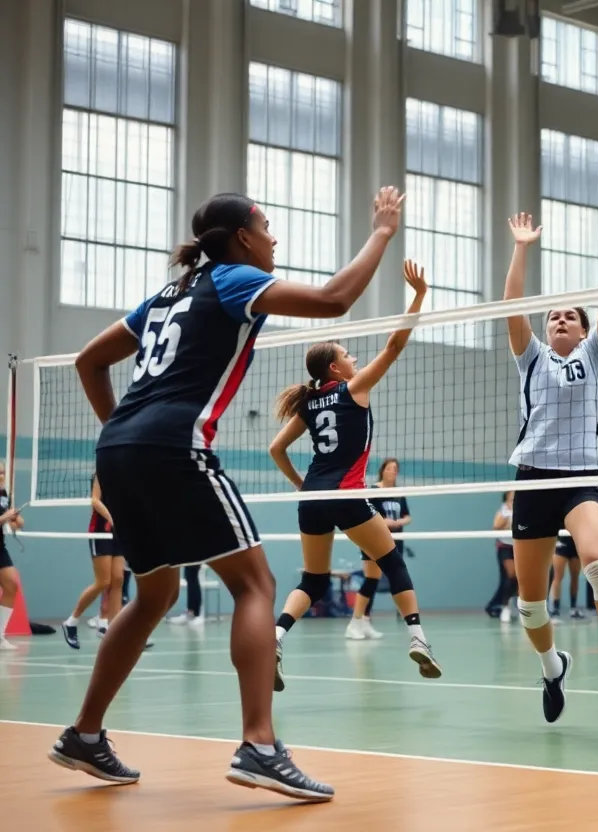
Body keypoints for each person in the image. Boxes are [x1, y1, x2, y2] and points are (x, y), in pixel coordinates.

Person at [50, 187, 407, 800]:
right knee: (256, 585)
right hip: (174, 447)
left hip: (119, 449)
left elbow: (88, 362)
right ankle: (260, 746)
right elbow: (334, 299)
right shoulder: (234, 279)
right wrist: (380, 231)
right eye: (267, 227)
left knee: (154, 591)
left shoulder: (166, 295)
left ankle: (84, 734)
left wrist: (119, 432)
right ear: (242, 237)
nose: (274, 238)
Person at [502, 179, 598, 728]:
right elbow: (512, 304)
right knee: (531, 605)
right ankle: (551, 666)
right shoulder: (530, 358)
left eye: (569, 316)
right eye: (553, 316)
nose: (559, 320)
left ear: (584, 330)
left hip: (583, 475)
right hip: (533, 478)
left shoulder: (597, 354)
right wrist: (521, 249)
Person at [269, 261, 440, 685]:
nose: (355, 358)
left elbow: (276, 448)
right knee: (391, 560)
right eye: (348, 355)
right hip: (347, 493)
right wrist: (418, 296)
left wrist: (302, 486)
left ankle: (274, 637)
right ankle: (418, 638)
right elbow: (395, 346)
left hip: (312, 496)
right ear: (336, 369)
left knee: (313, 579)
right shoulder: (353, 388)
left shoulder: (308, 403)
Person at [347, 458, 411, 640]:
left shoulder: (399, 493)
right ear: (383, 470)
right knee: (370, 579)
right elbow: (367, 515)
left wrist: (399, 522)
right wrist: (384, 522)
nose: (393, 472)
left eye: (395, 469)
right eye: (390, 468)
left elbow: (407, 516)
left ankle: (364, 621)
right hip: (373, 539)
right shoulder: (373, 491)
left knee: (374, 580)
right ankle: (355, 622)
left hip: (394, 541)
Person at [62, 475, 129, 648]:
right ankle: (71, 622)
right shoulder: (101, 473)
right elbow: (95, 500)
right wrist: (112, 519)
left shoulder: (126, 472)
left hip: (119, 532)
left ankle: (115, 630)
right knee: (103, 582)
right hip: (101, 531)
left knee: (118, 580)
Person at [0, 461, 26, 650]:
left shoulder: (3, 495)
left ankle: (0, 636)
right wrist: (5, 517)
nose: (1, 476)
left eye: (2, 472)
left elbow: (16, 523)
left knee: (11, 585)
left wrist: (16, 518)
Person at [487, 492, 517, 622]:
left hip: (519, 547)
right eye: (512, 497)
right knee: (511, 575)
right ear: (506, 499)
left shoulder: (522, 508)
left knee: (517, 579)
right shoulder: (503, 511)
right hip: (505, 547)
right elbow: (496, 526)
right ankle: (505, 607)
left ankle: (514, 606)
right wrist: (508, 514)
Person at [550, 532, 583, 621]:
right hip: (560, 545)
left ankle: (573, 608)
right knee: (557, 577)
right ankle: (555, 609)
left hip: (575, 545)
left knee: (575, 577)